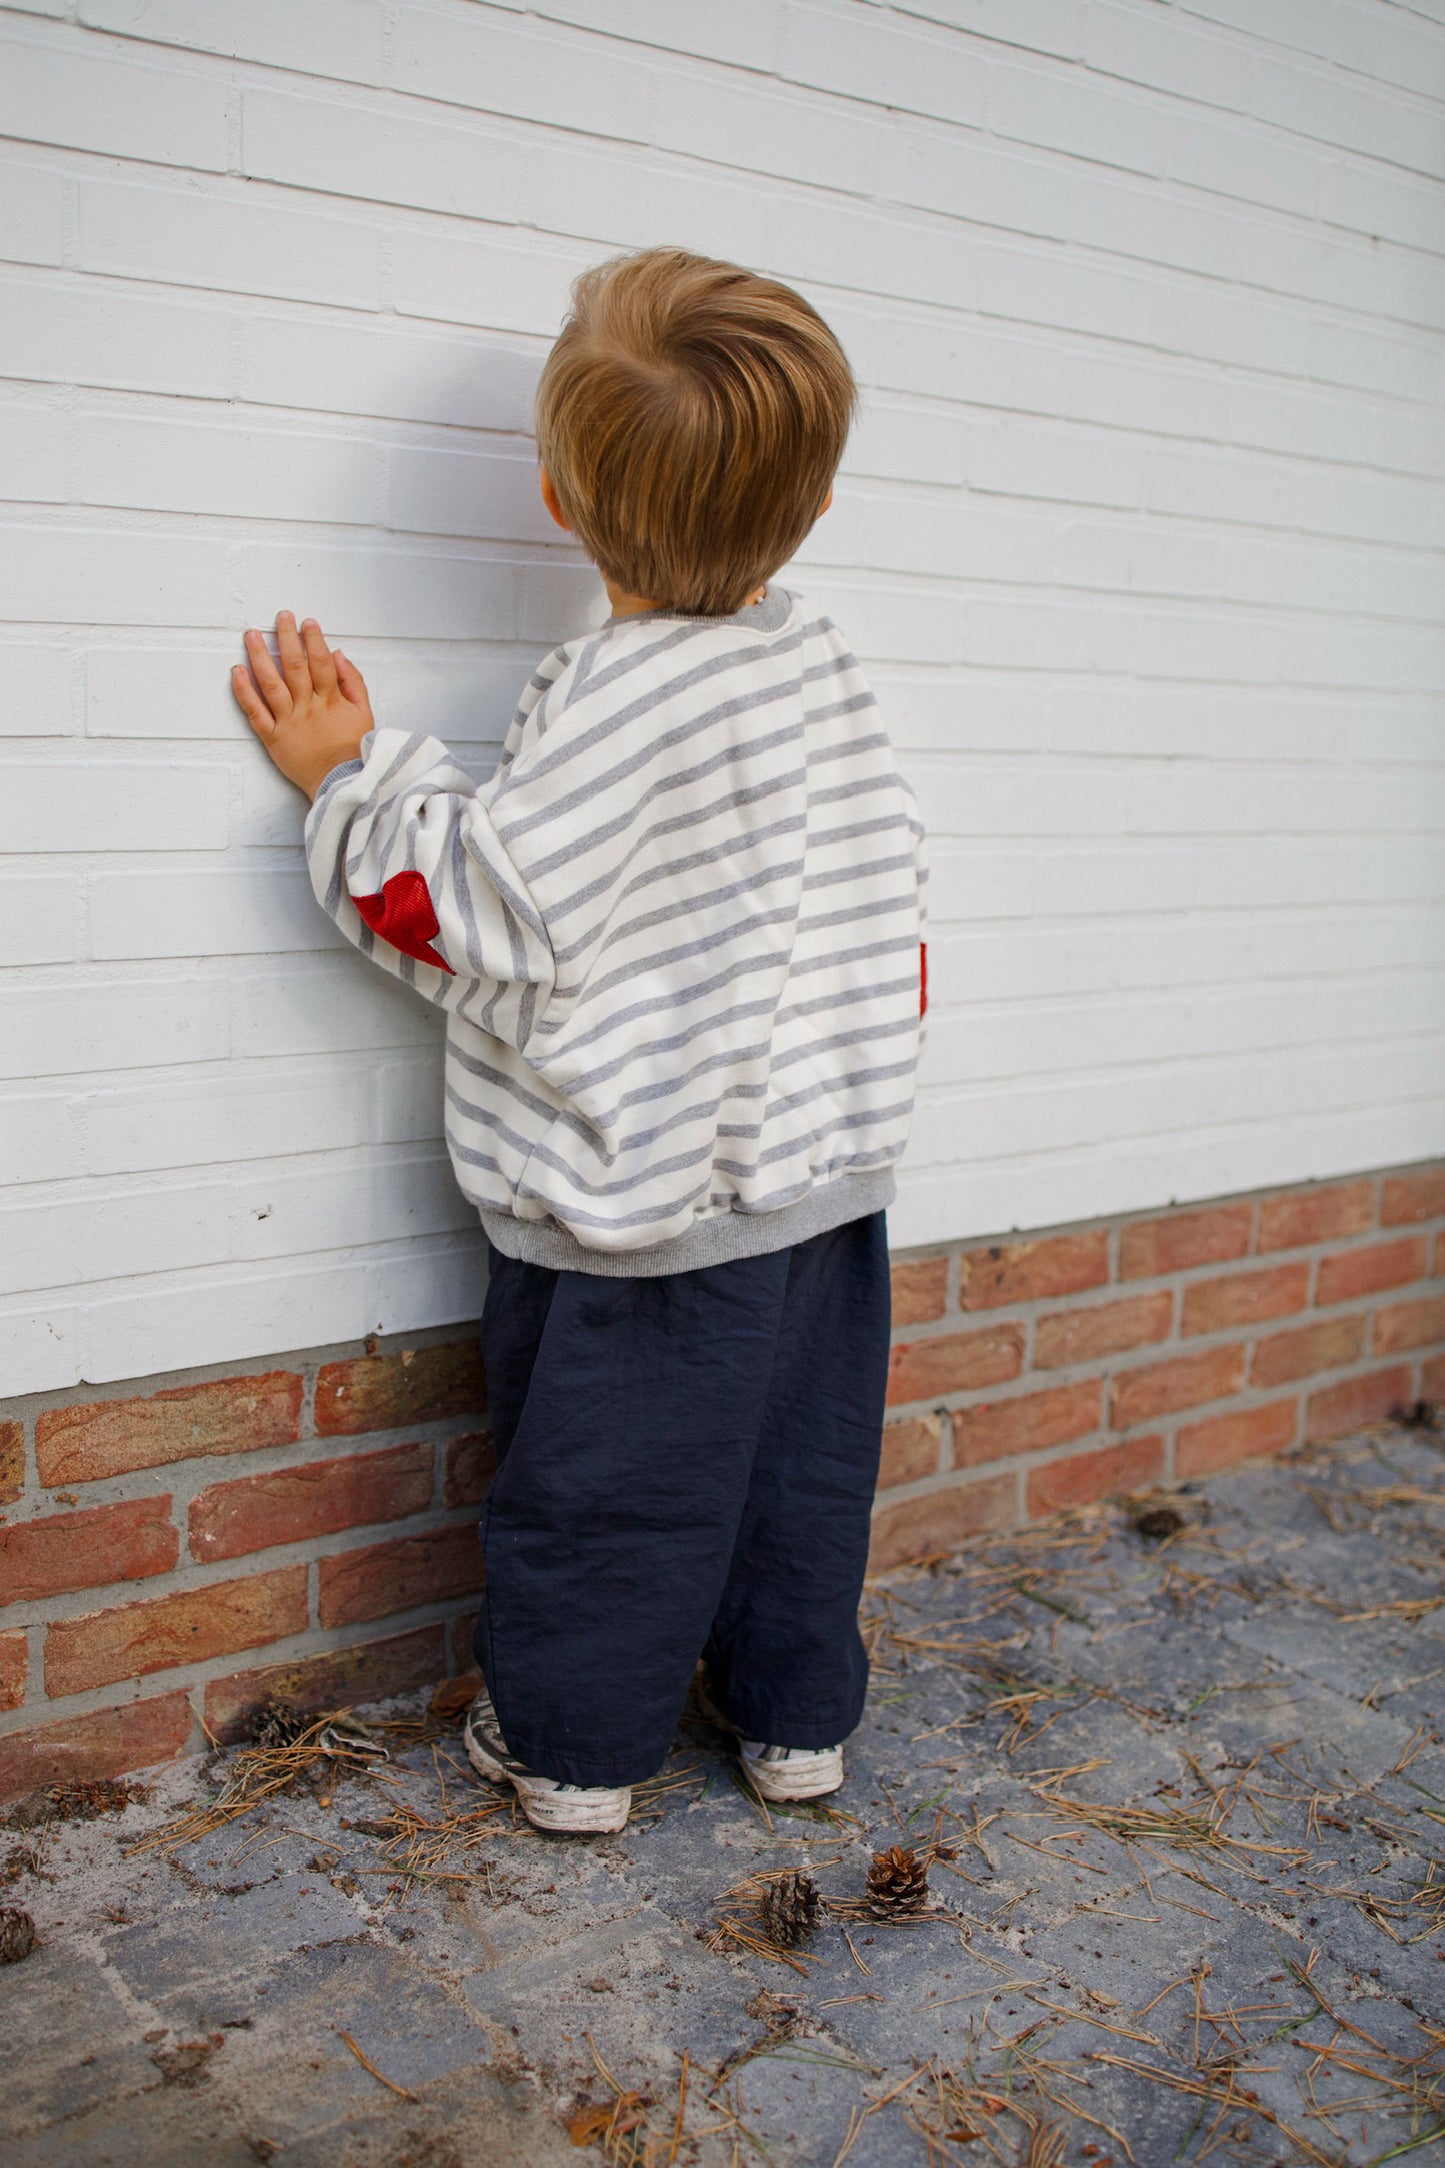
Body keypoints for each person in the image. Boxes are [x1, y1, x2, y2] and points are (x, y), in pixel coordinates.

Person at [232, 247, 927, 1836]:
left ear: (556, 496)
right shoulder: (823, 672)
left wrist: (353, 779)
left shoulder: (620, 697)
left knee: (605, 1500)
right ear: (812, 509)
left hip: (646, 1212)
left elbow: (479, 916)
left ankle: (573, 1752)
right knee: (793, 1487)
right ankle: (795, 1724)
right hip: (820, 1190)